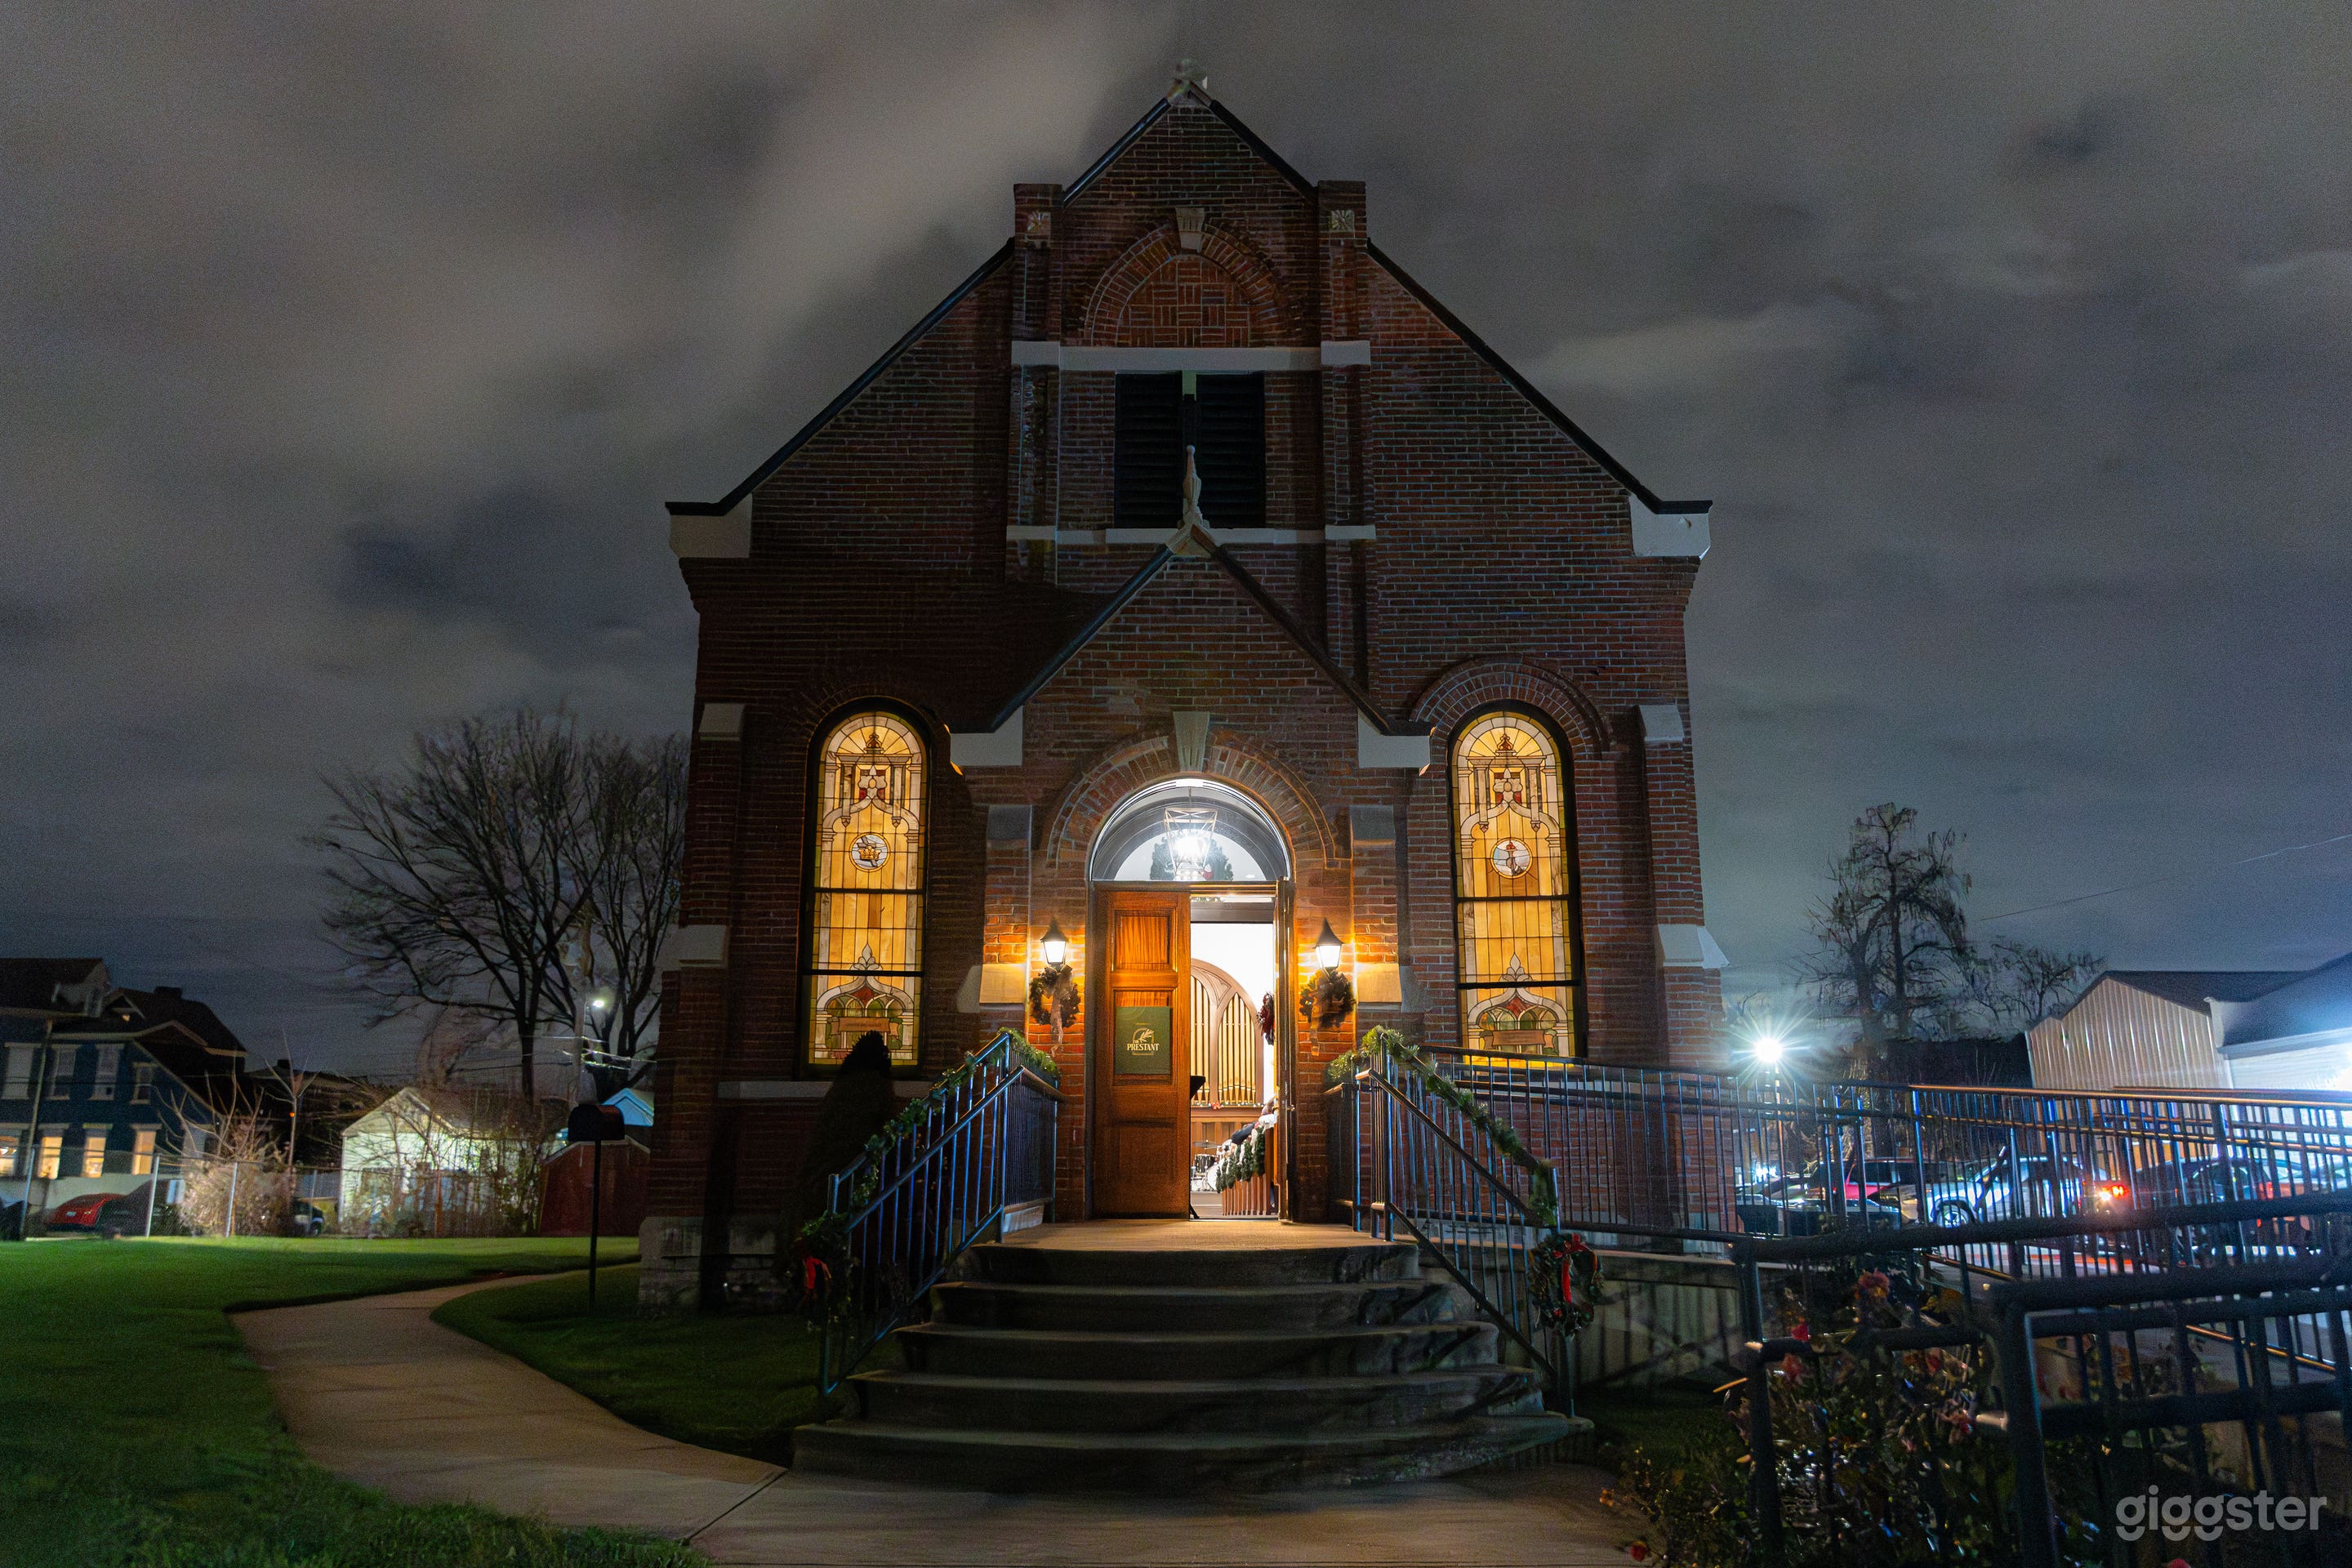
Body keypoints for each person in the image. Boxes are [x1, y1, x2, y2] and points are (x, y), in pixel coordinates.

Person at [781, 1031, 898, 1244]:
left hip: (830, 1160)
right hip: (858, 1162)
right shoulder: (877, 1085)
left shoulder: (843, 1085)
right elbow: (886, 1121)